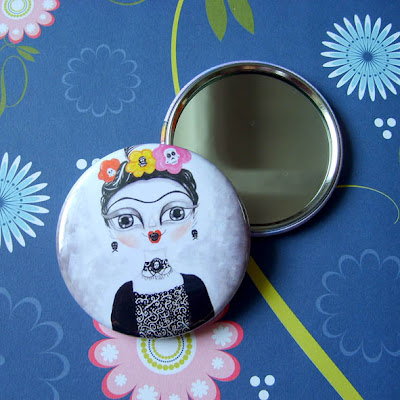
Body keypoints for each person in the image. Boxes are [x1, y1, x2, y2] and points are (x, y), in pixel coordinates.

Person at [99, 145, 214, 338]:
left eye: (175, 213)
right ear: (110, 228)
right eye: (126, 220)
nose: (153, 229)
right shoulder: (124, 295)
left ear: (193, 216)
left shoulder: (195, 285)